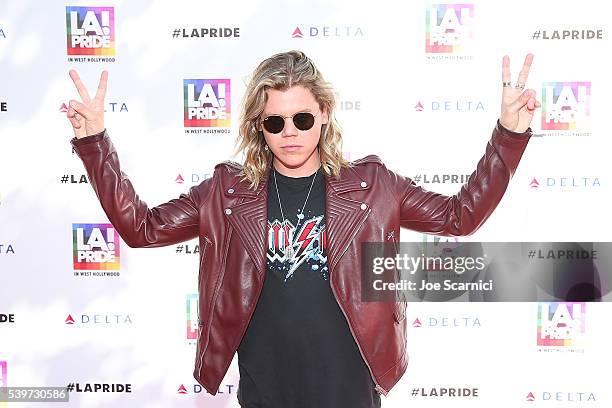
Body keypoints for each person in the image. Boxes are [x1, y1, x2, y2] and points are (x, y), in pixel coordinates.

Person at [67, 50, 540, 408]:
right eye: (275, 120)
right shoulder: (226, 192)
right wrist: (94, 143)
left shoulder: (372, 187)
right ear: (259, 125)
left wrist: (508, 134)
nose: (289, 131)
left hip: (349, 389)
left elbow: (460, 216)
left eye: (302, 117)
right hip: (266, 389)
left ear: (325, 115)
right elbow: (143, 228)